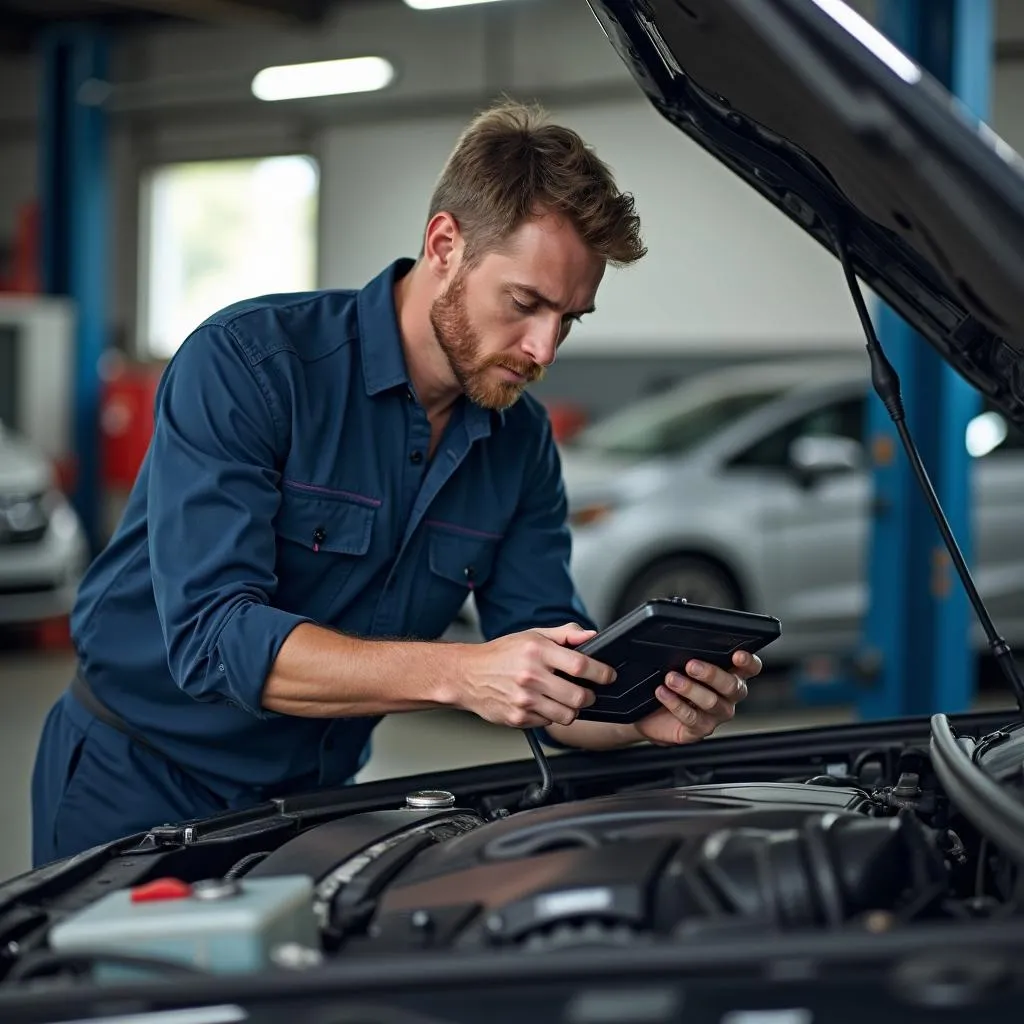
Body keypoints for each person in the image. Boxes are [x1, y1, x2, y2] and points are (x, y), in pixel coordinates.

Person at [31, 100, 761, 867]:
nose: (544, 348)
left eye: (571, 318)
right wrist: (463, 673)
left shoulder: (521, 445)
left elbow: (548, 670)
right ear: (444, 243)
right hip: (137, 784)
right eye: (525, 304)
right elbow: (215, 640)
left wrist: (641, 714)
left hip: (315, 805)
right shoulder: (251, 367)